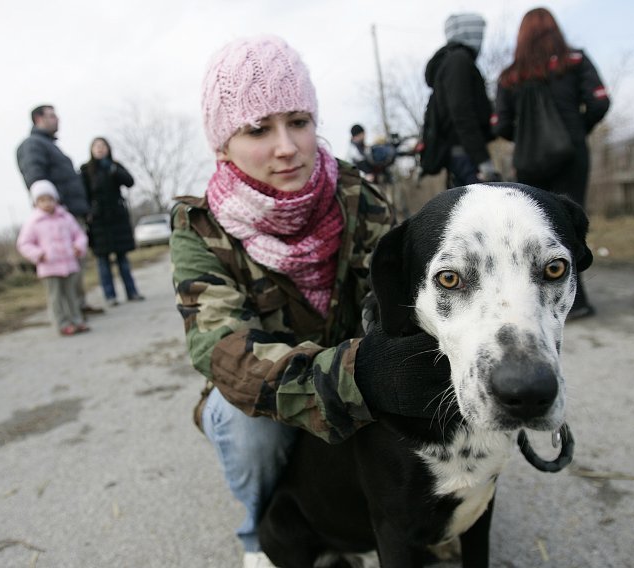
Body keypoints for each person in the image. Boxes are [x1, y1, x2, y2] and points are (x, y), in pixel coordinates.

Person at [170, 35, 443, 568]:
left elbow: (403, 303)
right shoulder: (199, 229)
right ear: (222, 145)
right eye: (258, 129)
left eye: (298, 120)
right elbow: (224, 349)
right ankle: (259, 537)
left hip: (358, 371)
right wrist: (356, 377)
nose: (287, 146)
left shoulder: (355, 196)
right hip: (273, 390)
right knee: (244, 427)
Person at [493, 7, 610, 321]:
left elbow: (500, 124)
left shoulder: (510, 77)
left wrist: (523, 135)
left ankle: (538, 301)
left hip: (530, 162)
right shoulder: (575, 62)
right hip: (572, 156)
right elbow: (600, 101)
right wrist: (576, 129)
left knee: (536, 228)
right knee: (570, 225)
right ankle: (577, 301)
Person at [16, 104, 103, 315]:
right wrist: (51, 208)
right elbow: (36, 178)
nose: (57, 120)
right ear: (38, 119)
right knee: (64, 267)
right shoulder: (34, 145)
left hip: (70, 213)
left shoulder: (49, 145)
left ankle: (78, 305)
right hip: (59, 215)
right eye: (52, 116)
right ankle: (69, 311)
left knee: (76, 262)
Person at [423, 13, 499, 186]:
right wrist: (482, 160)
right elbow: (461, 112)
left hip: (461, 154)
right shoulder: (459, 61)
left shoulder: (449, 62)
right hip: (466, 154)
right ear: (468, 33)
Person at [17, 180, 89, 336]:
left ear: (56, 199)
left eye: (50, 199)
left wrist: (78, 246)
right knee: (55, 298)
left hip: (69, 264)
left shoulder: (66, 217)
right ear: (36, 202)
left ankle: (77, 320)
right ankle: (62, 324)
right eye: (42, 200)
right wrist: (38, 254)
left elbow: (79, 235)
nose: (47, 203)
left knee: (72, 295)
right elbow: (24, 244)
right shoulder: (33, 222)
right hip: (48, 267)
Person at [80, 137, 144, 307]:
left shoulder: (115, 166)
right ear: (91, 150)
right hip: (99, 220)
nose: (100, 149)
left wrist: (114, 169)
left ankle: (132, 291)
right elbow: (83, 194)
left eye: (103, 146)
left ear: (108, 148)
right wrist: (89, 213)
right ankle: (110, 296)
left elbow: (130, 182)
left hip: (117, 218)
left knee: (122, 258)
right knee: (103, 261)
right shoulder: (86, 170)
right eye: (97, 146)